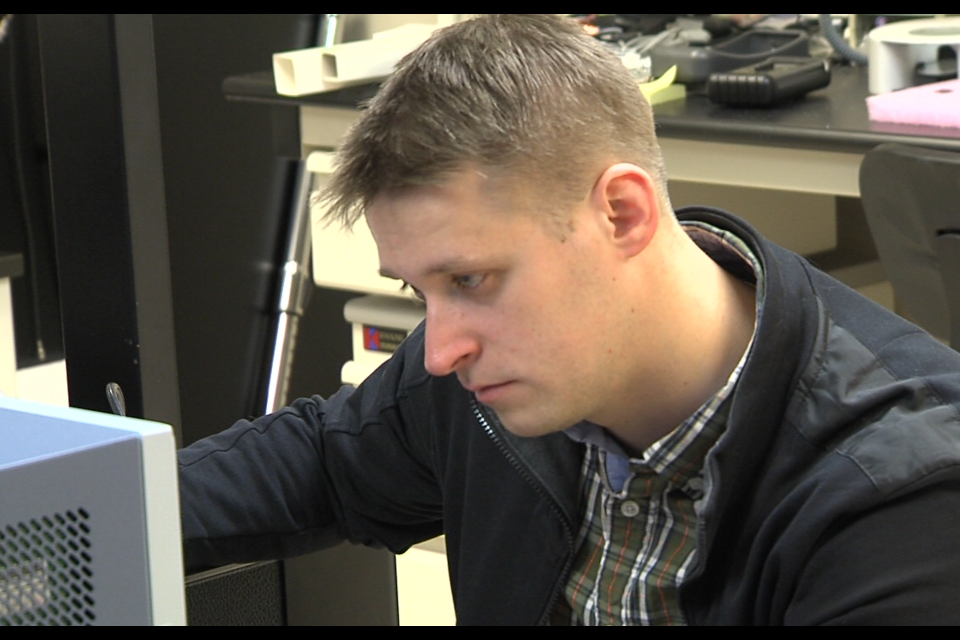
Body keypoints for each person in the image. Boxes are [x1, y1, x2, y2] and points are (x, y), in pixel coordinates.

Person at [178, 14, 960, 625]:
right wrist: (80, 510)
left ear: (623, 213)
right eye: (423, 292)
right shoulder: (493, 379)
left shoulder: (899, 501)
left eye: (471, 279)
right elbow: (319, 459)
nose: (442, 348)